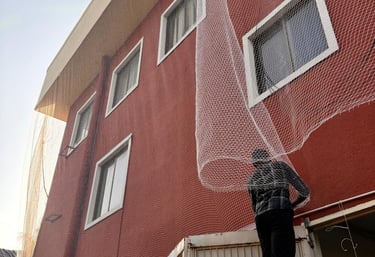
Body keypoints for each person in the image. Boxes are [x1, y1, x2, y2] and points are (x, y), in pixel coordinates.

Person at [248, 149, 310, 257]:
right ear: (269, 158)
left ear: (254, 163)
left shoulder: (251, 180)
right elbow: (304, 191)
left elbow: (254, 207)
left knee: (268, 253)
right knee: (283, 251)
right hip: (279, 212)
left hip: (261, 219)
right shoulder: (280, 166)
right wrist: (292, 204)